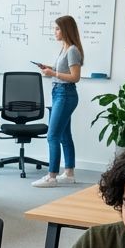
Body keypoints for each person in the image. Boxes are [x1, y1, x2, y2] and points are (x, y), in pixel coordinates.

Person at [32, 15, 83, 188]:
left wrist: (53, 74)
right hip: (59, 93)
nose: (54, 32)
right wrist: (51, 68)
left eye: (57, 28)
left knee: (52, 135)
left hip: (66, 94)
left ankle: (51, 176)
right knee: (64, 135)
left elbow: (75, 77)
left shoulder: (73, 50)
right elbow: (64, 71)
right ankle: (69, 173)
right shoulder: (64, 48)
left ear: (66, 30)